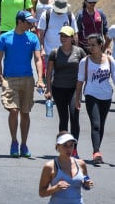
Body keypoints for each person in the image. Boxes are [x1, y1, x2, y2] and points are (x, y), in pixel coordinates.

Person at [0, 10, 44, 158]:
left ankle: (24, 144)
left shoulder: (33, 38)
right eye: (28, 22)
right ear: (20, 22)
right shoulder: (5, 37)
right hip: (10, 80)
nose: (31, 25)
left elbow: (37, 59)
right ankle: (14, 141)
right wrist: (1, 79)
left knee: (25, 112)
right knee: (13, 110)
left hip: (27, 79)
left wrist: (40, 79)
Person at [45, 26, 87, 154]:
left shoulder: (79, 52)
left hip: (75, 89)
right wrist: (49, 89)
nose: (63, 38)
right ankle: (63, 148)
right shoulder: (55, 52)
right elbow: (49, 72)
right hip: (59, 89)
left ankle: (74, 149)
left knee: (74, 117)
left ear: (72, 38)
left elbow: (87, 68)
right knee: (63, 119)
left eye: (66, 36)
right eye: (61, 36)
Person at [75, 33, 115, 165]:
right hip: (91, 95)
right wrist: (77, 99)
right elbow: (80, 81)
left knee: (101, 125)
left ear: (100, 45)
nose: (90, 47)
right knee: (96, 124)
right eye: (88, 45)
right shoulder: (84, 61)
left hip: (106, 96)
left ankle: (97, 150)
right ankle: (96, 152)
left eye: (93, 45)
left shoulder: (110, 60)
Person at [38, 132, 94, 202]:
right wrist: (55, 188)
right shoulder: (50, 166)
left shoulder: (81, 164)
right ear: (58, 147)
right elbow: (42, 193)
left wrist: (87, 184)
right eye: (65, 145)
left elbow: (86, 183)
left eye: (71, 145)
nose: (69, 149)